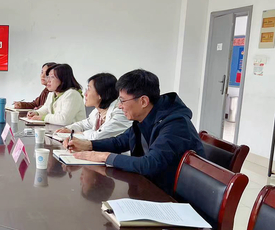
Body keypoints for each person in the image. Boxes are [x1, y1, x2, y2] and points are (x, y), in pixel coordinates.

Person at [64, 69, 205, 195]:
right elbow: (121, 141)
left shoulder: (175, 125)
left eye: (122, 101)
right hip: (151, 187)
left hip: (171, 199)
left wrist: (103, 157)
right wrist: (88, 145)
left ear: (143, 101)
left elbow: (150, 164)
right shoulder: (147, 116)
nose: (120, 106)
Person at [56, 73, 131, 140]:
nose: (85, 94)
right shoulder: (98, 111)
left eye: (89, 89)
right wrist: (68, 129)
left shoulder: (120, 112)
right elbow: (84, 124)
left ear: (100, 94)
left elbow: (98, 136)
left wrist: (76, 134)